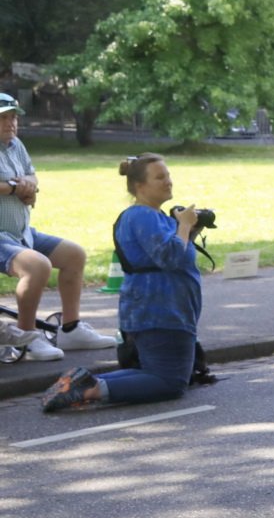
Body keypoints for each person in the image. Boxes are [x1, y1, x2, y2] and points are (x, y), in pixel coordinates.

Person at [41, 153, 200, 412]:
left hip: (161, 311)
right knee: (170, 382)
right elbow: (169, 257)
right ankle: (93, 389)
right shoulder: (142, 216)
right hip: (160, 311)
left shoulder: (156, 216)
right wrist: (184, 226)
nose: (168, 181)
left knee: (154, 372)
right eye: (160, 177)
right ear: (139, 186)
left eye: (168, 175)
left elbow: (173, 251)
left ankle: (83, 383)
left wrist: (188, 230)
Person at [0, 92, 118, 362]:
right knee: (37, 266)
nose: (11, 123)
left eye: (14, 117)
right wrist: (15, 188)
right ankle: (28, 337)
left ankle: (71, 329)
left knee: (74, 254)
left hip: (21, 233)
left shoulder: (15, 145)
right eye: (4, 118)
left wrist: (27, 186)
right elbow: (15, 185)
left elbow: (32, 175)